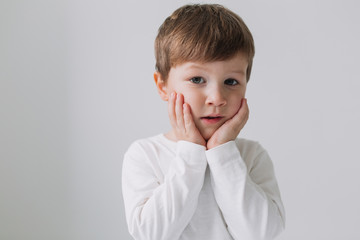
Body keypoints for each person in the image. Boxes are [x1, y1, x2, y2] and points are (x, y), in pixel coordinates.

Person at [122, 4, 285, 240]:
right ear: (162, 85)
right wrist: (190, 152)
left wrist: (223, 152)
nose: (217, 98)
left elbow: (262, 234)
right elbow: (152, 234)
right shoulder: (145, 154)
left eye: (231, 82)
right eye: (197, 79)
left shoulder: (252, 156)